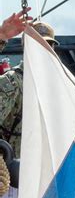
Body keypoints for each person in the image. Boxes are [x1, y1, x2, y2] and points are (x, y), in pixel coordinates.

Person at [0, 21, 59, 158]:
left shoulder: (57, 84)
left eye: (49, 45)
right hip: (15, 167)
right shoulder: (11, 83)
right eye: (38, 44)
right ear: (27, 47)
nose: (45, 48)